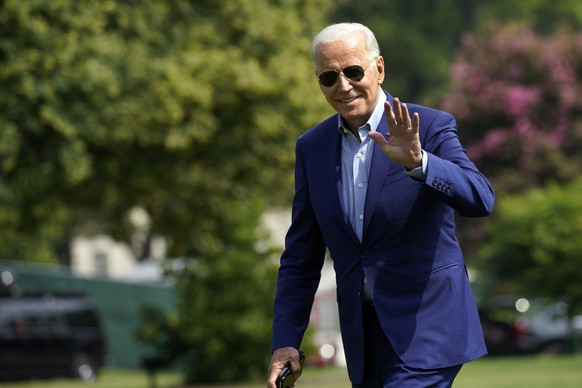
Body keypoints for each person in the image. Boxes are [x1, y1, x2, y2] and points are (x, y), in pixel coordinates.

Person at [266, 22, 495, 388]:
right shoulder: (311, 147)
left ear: (380, 68)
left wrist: (419, 163)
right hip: (364, 335)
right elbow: (301, 256)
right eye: (328, 77)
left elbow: (480, 198)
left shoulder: (430, 126)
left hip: (429, 327)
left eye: (354, 71)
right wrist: (285, 341)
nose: (343, 86)